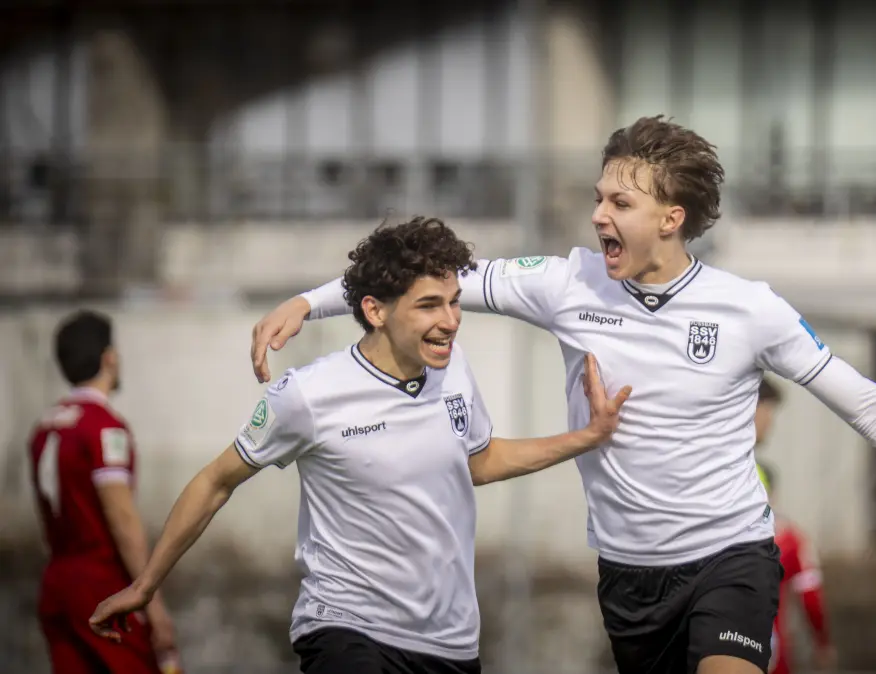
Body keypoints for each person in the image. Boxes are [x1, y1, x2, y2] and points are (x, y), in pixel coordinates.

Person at [250, 117, 876, 674]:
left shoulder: (751, 310)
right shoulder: (565, 283)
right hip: (630, 576)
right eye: (599, 197)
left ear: (670, 218)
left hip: (730, 557)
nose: (598, 213)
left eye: (619, 203)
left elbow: (866, 401)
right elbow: (428, 280)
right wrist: (308, 301)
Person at [88, 217, 631, 674]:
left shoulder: (454, 370)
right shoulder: (307, 395)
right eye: (428, 307)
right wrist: (146, 585)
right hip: (347, 630)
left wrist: (585, 437)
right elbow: (214, 481)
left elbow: (480, 461)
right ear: (375, 311)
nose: (450, 322)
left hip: (450, 642)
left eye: (454, 303)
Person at [29, 309, 181, 674]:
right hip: (102, 584)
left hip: (57, 582)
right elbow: (121, 517)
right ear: (109, 357)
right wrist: (152, 602)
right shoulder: (104, 428)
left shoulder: (45, 427)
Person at [754, 380, 835, 674]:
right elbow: (811, 597)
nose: (770, 422)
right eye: (768, 411)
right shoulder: (789, 538)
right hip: (759, 648)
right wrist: (824, 644)